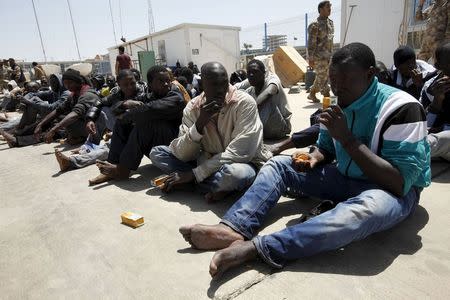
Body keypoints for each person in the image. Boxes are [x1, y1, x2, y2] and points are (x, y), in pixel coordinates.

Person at [179, 43, 431, 278]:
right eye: (333, 81)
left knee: (364, 212)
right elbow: (324, 148)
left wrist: (348, 140)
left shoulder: (402, 108)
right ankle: (234, 227)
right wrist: (314, 157)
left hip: (387, 190)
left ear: (369, 74)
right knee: (278, 165)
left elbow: (399, 183)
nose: (336, 89)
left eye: (344, 82)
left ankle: (258, 247)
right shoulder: (339, 100)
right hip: (346, 177)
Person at [149, 62, 272, 202]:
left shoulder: (245, 103)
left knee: (236, 175)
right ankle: (218, 188)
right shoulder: (193, 107)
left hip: (243, 162)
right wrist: (200, 124)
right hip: (208, 163)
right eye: (214, 84)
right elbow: (182, 154)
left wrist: (195, 174)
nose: (220, 90)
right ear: (203, 86)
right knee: (158, 153)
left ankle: (194, 184)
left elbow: (240, 152)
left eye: (224, 83)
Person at [90, 65, 185, 185]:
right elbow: (114, 108)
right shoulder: (149, 96)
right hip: (157, 146)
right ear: (150, 85)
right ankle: (112, 164)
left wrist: (127, 116)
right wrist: (125, 104)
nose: (166, 84)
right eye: (161, 81)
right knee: (121, 123)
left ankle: (123, 169)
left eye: (168, 81)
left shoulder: (176, 96)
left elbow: (150, 109)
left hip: (174, 147)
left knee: (145, 124)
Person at [35, 69, 99, 145]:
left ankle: (83, 138)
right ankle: (77, 137)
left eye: (70, 83)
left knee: (68, 120)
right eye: (65, 84)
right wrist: (40, 124)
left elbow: (76, 114)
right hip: (84, 123)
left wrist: (53, 130)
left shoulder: (88, 94)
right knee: (60, 118)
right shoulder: (73, 95)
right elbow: (58, 110)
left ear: (78, 82)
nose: (68, 86)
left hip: (95, 125)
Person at [237, 59, 292, 140]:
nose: (251, 75)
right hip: (265, 131)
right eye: (249, 72)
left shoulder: (272, 81)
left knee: (266, 102)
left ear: (264, 73)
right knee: (241, 95)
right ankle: (247, 133)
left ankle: (250, 135)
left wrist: (250, 111)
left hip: (281, 128)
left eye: (255, 72)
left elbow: (270, 92)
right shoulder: (250, 91)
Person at [421, 43, 450, 161]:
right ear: (438, 65)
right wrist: (437, 101)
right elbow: (424, 124)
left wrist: (442, 128)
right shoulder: (431, 86)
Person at [307, 1, 334, 103]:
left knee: (322, 76)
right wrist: (311, 58)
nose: (330, 9)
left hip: (328, 56)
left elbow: (330, 41)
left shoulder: (330, 23)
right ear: (321, 9)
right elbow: (311, 43)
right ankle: (329, 100)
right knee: (323, 79)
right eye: (328, 7)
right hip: (319, 57)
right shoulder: (315, 25)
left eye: (330, 7)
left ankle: (312, 93)